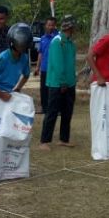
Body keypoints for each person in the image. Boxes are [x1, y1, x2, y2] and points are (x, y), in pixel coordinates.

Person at [39, 16, 78, 150]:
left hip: (70, 83)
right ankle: (44, 141)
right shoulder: (57, 41)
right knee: (52, 112)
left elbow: (71, 63)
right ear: (70, 27)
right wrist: (62, 82)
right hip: (57, 84)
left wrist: (72, 80)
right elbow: (57, 63)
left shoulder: (71, 43)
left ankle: (64, 138)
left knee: (67, 112)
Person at [0, 22, 32, 100]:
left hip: (9, 93)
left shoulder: (24, 58)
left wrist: (18, 88)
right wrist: (0, 94)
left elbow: (26, 75)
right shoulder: (3, 57)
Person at [34, 16, 58, 113]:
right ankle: (44, 108)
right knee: (44, 89)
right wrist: (37, 67)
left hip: (55, 69)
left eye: (52, 25)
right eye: (49, 25)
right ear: (45, 26)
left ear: (55, 26)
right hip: (44, 68)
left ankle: (56, 109)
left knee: (55, 89)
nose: (50, 27)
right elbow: (40, 53)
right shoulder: (43, 38)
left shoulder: (58, 38)